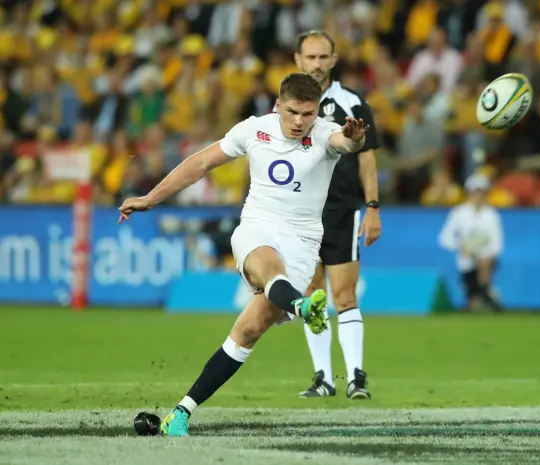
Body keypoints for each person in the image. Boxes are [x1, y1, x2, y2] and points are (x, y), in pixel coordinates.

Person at [117, 72, 369, 436]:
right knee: (268, 268)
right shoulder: (253, 129)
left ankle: (180, 414)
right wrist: (149, 199)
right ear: (278, 106)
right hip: (258, 227)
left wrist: (354, 138)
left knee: (249, 330)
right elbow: (201, 163)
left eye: (308, 114)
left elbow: (345, 142)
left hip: (303, 242)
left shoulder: (324, 132)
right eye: (294, 112)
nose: (300, 121)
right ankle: (301, 306)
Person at [293, 30, 382, 400]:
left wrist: (373, 207)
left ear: (333, 59)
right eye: (309, 57)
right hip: (299, 213)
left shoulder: (351, 102)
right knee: (313, 296)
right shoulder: (286, 104)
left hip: (341, 210)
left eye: (322, 57)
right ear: (298, 60)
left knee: (344, 296)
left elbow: (367, 156)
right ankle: (323, 379)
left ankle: (356, 379)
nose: (316, 64)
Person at [438, 173, 504, 312]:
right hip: (465, 262)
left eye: (482, 192)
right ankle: (484, 294)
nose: (478, 196)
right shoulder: (458, 213)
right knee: (472, 299)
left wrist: (485, 256)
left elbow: (497, 243)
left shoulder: (492, 215)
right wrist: (461, 248)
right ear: (468, 192)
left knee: (483, 272)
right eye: (475, 191)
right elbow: (445, 238)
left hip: (485, 261)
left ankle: (485, 292)